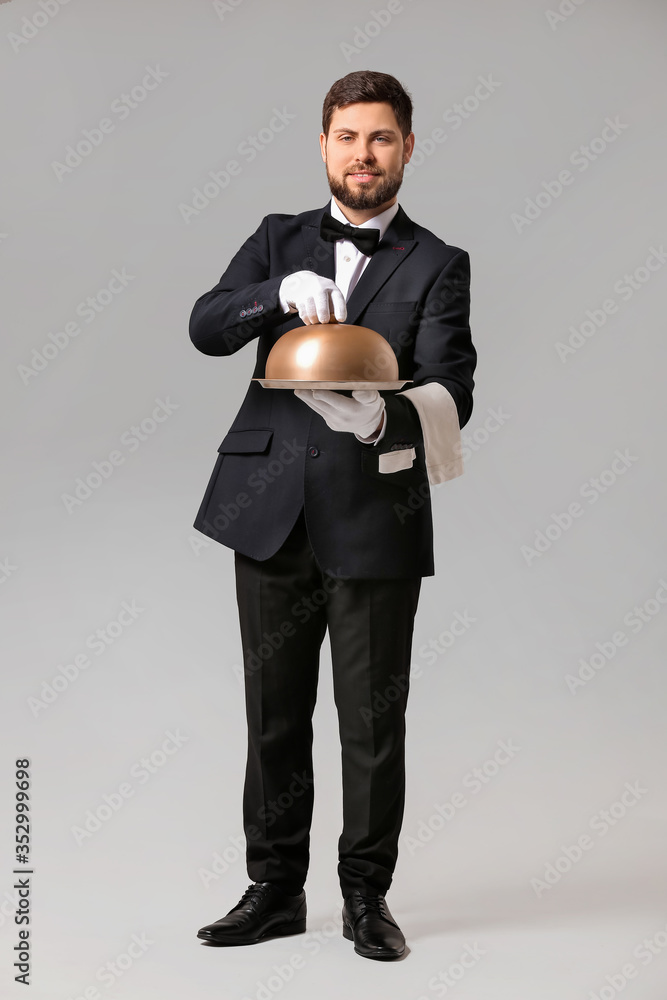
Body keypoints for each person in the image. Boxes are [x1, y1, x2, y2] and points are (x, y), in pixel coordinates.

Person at [189, 70, 477, 961]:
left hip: (374, 517)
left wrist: (382, 415)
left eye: (381, 138)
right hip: (266, 507)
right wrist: (274, 295)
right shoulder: (275, 240)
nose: (363, 155)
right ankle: (273, 891)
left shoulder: (436, 262)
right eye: (348, 137)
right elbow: (205, 327)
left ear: (407, 149)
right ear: (323, 145)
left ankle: (363, 899)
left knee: (368, 721)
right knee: (272, 714)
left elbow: (452, 388)